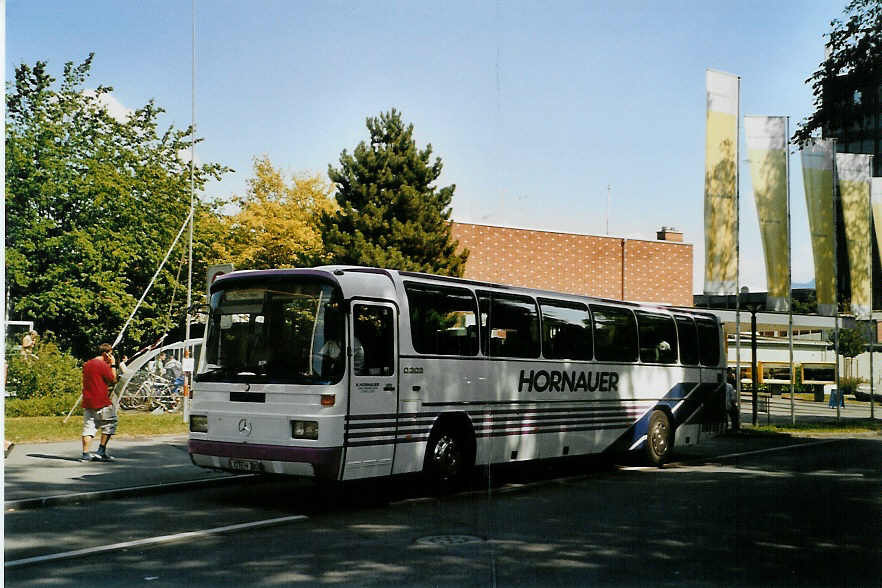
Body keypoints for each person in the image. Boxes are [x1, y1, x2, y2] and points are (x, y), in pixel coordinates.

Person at [81, 343, 118, 462]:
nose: (111, 356)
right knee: (110, 424)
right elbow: (113, 379)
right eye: (110, 354)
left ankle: (86, 454)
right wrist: (113, 364)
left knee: (89, 427)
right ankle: (101, 450)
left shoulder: (87, 364)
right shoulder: (102, 365)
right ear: (105, 353)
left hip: (88, 400)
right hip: (101, 400)